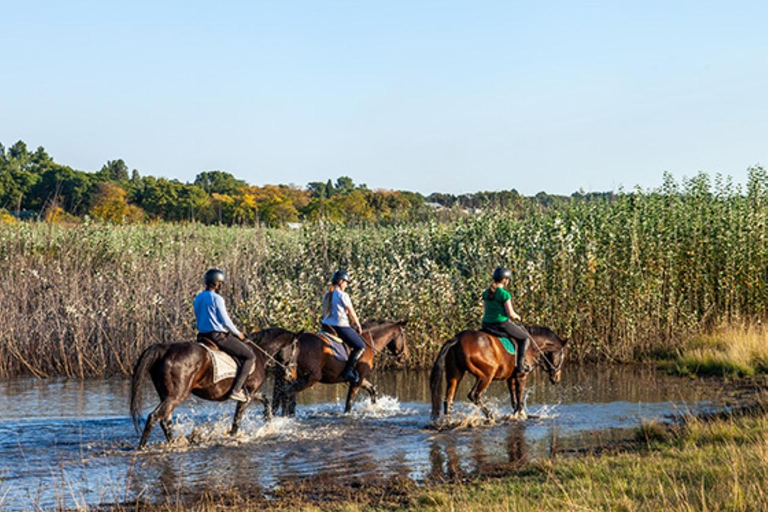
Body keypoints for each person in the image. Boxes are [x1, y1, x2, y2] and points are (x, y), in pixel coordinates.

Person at [194, 268, 255, 402]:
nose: (221, 285)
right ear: (216, 283)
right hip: (217, 336)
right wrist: (238, 333)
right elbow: (225, 320)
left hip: (202, 336)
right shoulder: (217, 298)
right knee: (250, 356)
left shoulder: (197, 298)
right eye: (221, 283)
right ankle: (237, 390)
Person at [481, 266, 533, 373]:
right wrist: (518, 317)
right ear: (505, 280)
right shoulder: (504, 294)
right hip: (500, 324)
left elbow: (485, 310)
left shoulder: (486, 293)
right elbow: (510, 314)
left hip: (486, 324)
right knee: (525, 338)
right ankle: (520, 366)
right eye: (508, 279)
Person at [321, 269, 366, 383]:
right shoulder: (343, 295)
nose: (347, 285)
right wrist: (358, 325)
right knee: (360, 346)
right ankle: (348, 371)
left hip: (326, 326)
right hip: (340, 326)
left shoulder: (327, 295)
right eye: (346, 282)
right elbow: (351, 312)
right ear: (340, 281)